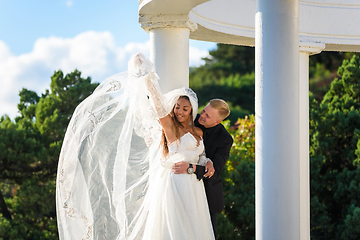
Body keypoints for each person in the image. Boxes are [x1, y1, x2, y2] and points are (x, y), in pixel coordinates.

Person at [56, 53, 215, 239]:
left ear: (192, 111)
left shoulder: (199, 133)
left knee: (194, 227)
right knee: (175, 228)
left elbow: (200, 155)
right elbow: (158, 106)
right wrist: (147, 79)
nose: (179, 111)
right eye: (177, 107)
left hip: (194, 186)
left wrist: (208, 161)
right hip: (176, 183)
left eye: (184, 109)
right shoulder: (170, 128)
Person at [173, 99, 233, 237]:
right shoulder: (191, 117)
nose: (202, 116)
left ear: (217, 122)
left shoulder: (225, 139)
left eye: (207, 116)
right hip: (181, 186)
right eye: (204, 111)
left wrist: (191, 168)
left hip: (207, 194)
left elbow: (215, 171)